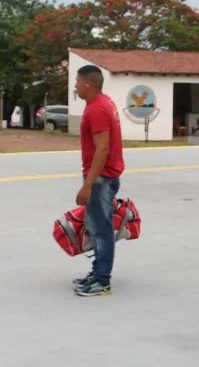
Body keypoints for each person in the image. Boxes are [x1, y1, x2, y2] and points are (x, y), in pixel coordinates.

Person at [71, 64, 126, 297]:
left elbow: (102, 149)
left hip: (101, 178)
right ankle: (97, 272)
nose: (75, 86)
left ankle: (102, 281)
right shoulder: (104, 103)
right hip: (103, 176)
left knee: (102, 230)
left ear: (88, 84)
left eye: (77, 82)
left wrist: (88, 184)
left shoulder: (97, 109)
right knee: (96, 228)